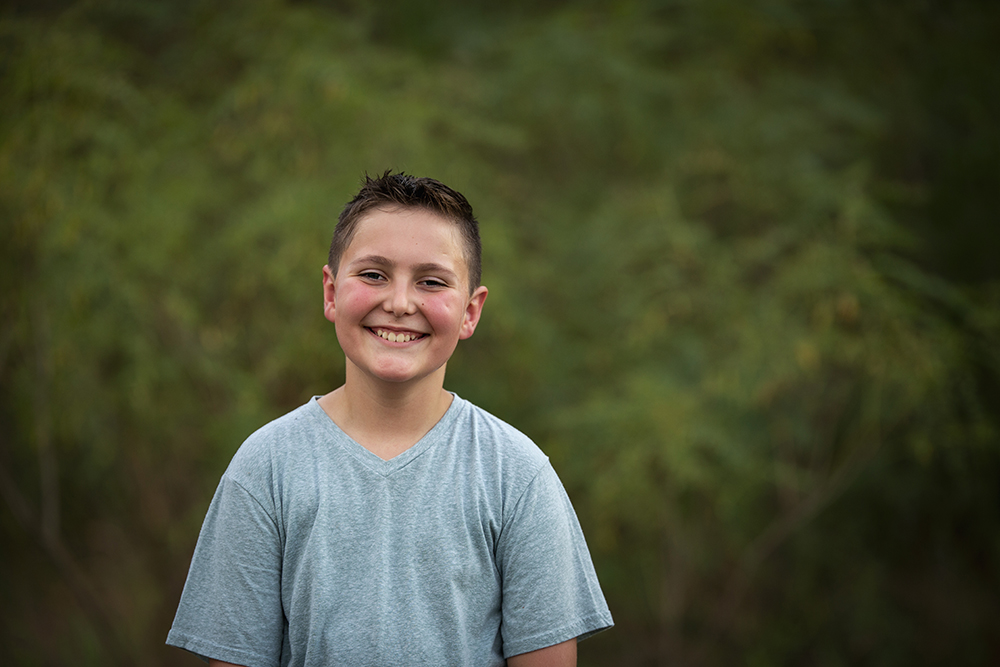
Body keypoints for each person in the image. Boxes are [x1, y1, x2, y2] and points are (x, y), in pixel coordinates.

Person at [166, 171, 613, 666]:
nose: (399, 303)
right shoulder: (265, 469)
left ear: (470, 311)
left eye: (432, 281)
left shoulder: (516, 475)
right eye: (374, 274)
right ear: (331, 293)